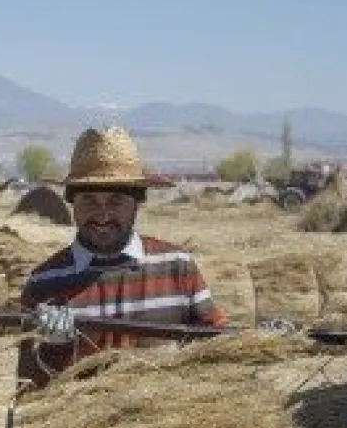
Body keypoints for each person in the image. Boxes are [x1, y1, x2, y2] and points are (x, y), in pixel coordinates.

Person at [17, 126, 224, 388]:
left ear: (137, 204)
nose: (102, 216)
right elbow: (31, 386)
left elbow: (218, 353)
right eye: (90, 201)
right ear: (72, 204)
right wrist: (57, 345)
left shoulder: (178, 268)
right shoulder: (45, 283)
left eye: (115, 201)